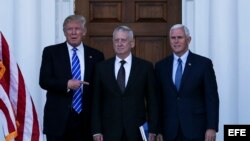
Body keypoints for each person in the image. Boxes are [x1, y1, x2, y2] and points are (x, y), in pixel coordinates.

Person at [39, 15, 104, 141]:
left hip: (86, 121)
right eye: (69, 29)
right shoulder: (51, 52)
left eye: (77, 29)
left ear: (84, 32)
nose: (73, 32)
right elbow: (44, 81)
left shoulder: (96, 55)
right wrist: (66, 84)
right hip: (58, 120)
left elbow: (99, 89)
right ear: (64, 32)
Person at [91, 25, 158, 141]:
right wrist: (96, 130)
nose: (119, 43)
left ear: (132, 43)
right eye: (116, 40)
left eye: (123, 40)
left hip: (137, 131)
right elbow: (96, 101)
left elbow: (152, 101)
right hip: (109, 131)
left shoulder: (145, 67)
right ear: (113, 43)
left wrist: (153, 129)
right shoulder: (101, 68)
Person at [155, 24, 219, 141]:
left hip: (196, 130)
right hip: (169, 131)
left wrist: (211, 127)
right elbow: (158, 100)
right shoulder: (161, 66)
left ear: (188, 39)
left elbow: (211, 98)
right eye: (173, 38)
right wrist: (158, 129)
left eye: (180, 37)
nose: (176, 41)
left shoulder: (203, 64)